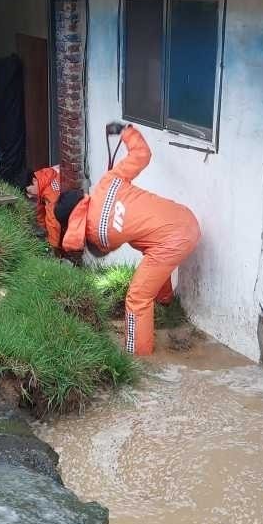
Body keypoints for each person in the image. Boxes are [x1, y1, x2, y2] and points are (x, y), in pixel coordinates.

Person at [54, 122, 201, 356]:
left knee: (137, 297)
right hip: (185, 218)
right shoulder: (107, 182)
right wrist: (125, 132)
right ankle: (165, 303)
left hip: (173, 240)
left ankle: (137, 358)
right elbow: (142, 154)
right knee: (146, 245)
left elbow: (100, 250)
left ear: (72, 221)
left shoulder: (97, 234)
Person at [26, 164, 62, 246]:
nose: (29, 196)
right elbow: (40, 211)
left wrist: (52, 246)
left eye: (29, 191)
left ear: (34, 180)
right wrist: (42, 230)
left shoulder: (51, 192)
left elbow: (53, 220)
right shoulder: (42, 178)